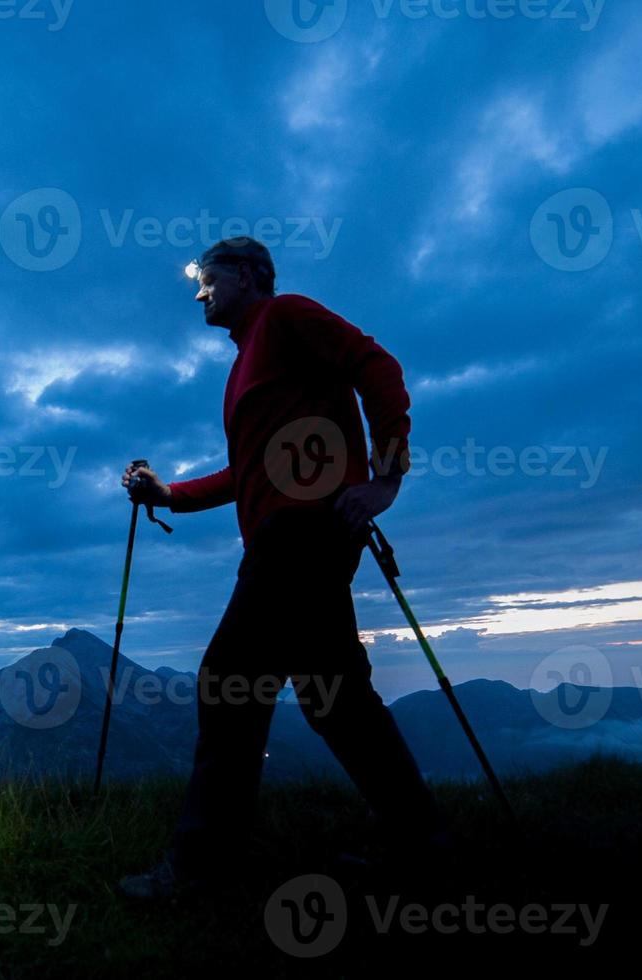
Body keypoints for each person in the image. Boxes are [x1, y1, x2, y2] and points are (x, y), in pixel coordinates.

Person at [117, 237, 450, 900]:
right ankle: (420, 853)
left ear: (245, 274)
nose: (198, 293)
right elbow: (249, 473)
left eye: (207, 280)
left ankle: (201, 871)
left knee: (228, 682)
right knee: (336, 699)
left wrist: (387, 475)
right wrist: (169, 496)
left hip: (299, 532)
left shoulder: (285, 316)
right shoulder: (248, 361)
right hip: (301, 532)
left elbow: (373, 363)